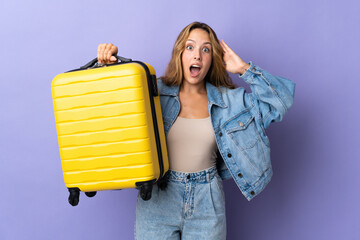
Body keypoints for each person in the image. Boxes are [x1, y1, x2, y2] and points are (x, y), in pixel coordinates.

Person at [97, 22, 295, 240]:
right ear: (180, 53)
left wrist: (244, 69)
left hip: (207, 200)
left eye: (206, 49)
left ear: (213, 59)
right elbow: (114, 115)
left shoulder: (229, 102)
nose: (197, 56)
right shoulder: (154, 92)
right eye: (190, 47)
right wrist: (108, 68)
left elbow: (279, 101)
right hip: (159, 198)